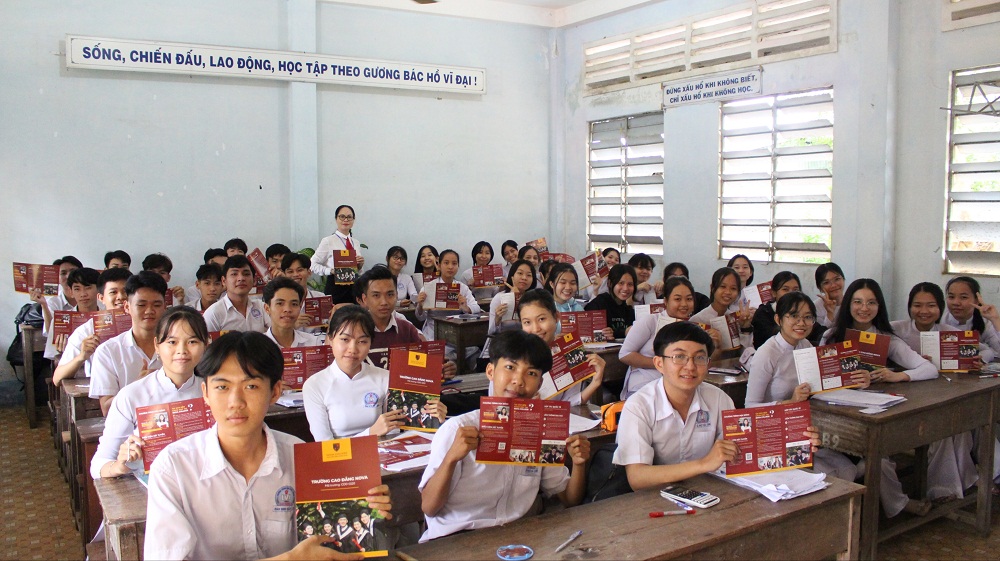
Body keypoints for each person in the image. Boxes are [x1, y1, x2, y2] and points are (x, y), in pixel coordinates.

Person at [143, 330, 393, 560]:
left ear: (274, 392)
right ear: (206, 393)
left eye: (251, 386)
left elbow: (332, 540)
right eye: (222, 387)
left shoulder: (300, 458)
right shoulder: (174, 468)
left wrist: (362, 507)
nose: (235, 401)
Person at [418, 329, 591, 542]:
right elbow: (429, 507)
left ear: (539, 383)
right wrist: (452, 457)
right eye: (510, 367)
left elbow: (569, 499)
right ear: (490, 371)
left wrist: (580, 463)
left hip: (519, 537)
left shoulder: (542, 429)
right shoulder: (457, 429)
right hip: (457, 538)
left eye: (532, 373)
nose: (518, 381)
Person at [613, 321, 823, 489]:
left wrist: (793, 442)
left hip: (712, 491)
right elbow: (637, 477)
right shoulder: (638, 406)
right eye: (679, 357)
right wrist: (705, 464)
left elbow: (742, 451)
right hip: (655, 500)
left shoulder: (718, 399)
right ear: (659, 363)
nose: (690, 366)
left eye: (700, 358)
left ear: (708, 364)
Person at [821, 278, 938, 517]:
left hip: (872, 414)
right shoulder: (832, 336)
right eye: (858, 302)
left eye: (871, 302)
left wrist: (896, 376)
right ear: (848, 304)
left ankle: (894, 502)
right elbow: (818, 378)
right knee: (867, 460)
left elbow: (929, 369)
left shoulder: (888, 339)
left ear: (879, 306)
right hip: (834, 414)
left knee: (878, 458)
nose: (864, 308)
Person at [745, 292, 866, 479]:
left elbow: (820, 384)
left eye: (808, 317)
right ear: (778, 319)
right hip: (771, 434)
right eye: (793, 316)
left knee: (848, 470)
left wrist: (851, 378)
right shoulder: (767, 353)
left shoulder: (805, 345)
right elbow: (749, 408)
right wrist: (790, 402)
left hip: (800, 430)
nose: (801, 323)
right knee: (828, 475)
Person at [91, 306, 208, 479]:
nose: (182, 350)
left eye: (192, 342)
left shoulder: (214, 392)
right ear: (157, 346)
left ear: (205, 344)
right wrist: (119, 465)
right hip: (149, 492)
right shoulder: (131, 396)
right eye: (172, 342)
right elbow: (98, 465)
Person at [891, 282, 980, 502]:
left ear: (940, 308)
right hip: (906, 399)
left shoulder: (952, 333)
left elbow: (983, 352)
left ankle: (954, 486)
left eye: (931, 305)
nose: (924, 311)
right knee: (941, 431)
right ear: (909, 306)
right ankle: (943, 489)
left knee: (959, 430)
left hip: (940, 396)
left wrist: (976, 360)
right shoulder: (896, 330)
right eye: (917, 305)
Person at [303, 305, 447, 441]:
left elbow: (399, 431)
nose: (352, 349)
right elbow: (324, 446)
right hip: (341, 463)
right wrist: (370, 433)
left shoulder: (385, 378)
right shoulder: (315, 385)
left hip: (386, 457)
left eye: (362, 341)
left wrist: (434, 418)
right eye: (345, 339)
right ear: (330, 338)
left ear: (371, 343)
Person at [619, 277, 722, 399]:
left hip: (679, 386)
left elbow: (704, 361)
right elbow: (625, 354)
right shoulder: (650, 321)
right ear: (666, 301)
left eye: (689, 299)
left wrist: (717, 344)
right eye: (677, 299)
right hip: (645, 384)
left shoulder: (693, 327)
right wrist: (664, 364)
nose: (684, 304)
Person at [356, 267, 457, 379]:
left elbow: (424, 366)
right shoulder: (355, 331)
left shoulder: (406, 329)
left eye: (390, 294)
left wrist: (443, 369)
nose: (384, 302)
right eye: (376, 295)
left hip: (402, 394)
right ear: (364, 299)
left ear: (397, 295)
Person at [89, 272, 168, 415]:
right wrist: (137, 388)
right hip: (127, 430)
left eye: (156, 304)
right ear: (127, 306)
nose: (149, 311)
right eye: (141, 304)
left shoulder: (177, 348)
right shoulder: (108, 351)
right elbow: (106, 409)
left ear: (165, 307)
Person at [517, 289, 608, 405]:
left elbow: (570, 403)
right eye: (527, 322)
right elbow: (497, 399)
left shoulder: (568, 351)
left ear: (556, 317)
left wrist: (596, 382)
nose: (535, 329)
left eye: (541, 319)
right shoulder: (512, 354)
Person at [52, 267, 132, 386]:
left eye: (125, 291)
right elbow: (57, 378)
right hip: (101, 395)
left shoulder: (146, 324)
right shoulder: (88, 329)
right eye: (113, 292)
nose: (120, 297)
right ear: (101, 298)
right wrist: (82, 356)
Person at [415, 249, 482, 342]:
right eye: (446, 263)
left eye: (454, 263)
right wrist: (420, 306)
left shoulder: (462, 287)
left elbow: (476, 308)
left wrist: (465, 307)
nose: (450, 267)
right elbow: (420, 318)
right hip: (434, 333)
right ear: (439, 265)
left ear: (458, 266)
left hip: (458, 332)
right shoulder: (428, 287)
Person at [750, 271, 824, 349]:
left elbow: (820, 332)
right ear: (774, 293)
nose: (791, 294)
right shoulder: (763, 313)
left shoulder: (803, 313)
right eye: (785, 289)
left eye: (795, 290)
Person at [43, 267, 100, 361]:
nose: (83, 294)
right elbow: (54, 360)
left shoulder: (108, 317)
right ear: (71, 292)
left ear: (99, 289)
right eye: (77, 289)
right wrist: (62, 352)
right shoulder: (60, 322)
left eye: (88, 287)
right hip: (73, 372)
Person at [311, 204, 365, 304]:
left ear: (353, 220)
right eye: (342, 216)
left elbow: (359, 272)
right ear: (336, 219)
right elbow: (312, 264)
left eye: (349, 217)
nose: (346, 220)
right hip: (336, 287)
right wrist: (330, 271)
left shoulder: (356, 243)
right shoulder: (328, 241)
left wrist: (360, 266)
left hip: (354, 287)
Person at [203, 255, 270, 333]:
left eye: (246, 274)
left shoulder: (261, 307)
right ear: (224, 281)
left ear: (254, 280)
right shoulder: (213, 313)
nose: (241, 278)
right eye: (234, 274)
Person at [689, 267, 753, 348]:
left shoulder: (736, 319)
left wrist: (745, 327)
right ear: (712, 288)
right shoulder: (697, 320)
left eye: (733, 288)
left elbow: (745, 353)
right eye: (723, 286)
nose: (728, 292)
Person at [942, 276, 1000, 361]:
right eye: (951, 297)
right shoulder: (940, 321)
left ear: (976, 300)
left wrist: (996, 320)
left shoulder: (985, 322)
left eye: (963, 297)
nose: (956, 302)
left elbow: (998, 351)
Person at [262, 277, 324, 348]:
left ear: (300, 307)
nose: (287, 309)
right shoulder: (256, 346)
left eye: (294, 304)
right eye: (280, 303)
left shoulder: (313, 343)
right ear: (267, 308)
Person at [584, 264, 637, 339]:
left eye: (630, 284)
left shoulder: (630, 311)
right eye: (621, 283)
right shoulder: (598, 305)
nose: (625, 288)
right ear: (610, 283)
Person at [487, 259, 535, 336]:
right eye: (520, 273)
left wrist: (518, 297)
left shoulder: (535, 299)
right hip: (503, 343)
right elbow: (491, 332)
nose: (524, 278)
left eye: (529, 275)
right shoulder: (499, 298)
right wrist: (497, 320)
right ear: (512, 275)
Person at [813, 262, 846, 328]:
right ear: (820, 288)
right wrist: (830, 313)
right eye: (826, 282)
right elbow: (821, 334)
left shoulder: (853, 302)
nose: (833, 285)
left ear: (843, 279)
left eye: (837, 279)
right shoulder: (815, 307)